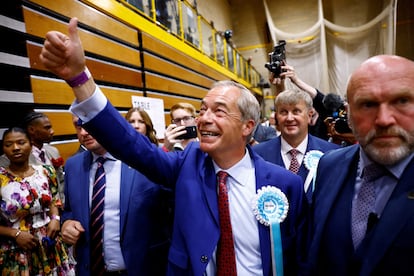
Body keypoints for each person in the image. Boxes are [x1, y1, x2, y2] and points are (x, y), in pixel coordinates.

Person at [40, 17, 308, 275]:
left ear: (248, 127)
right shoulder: (186, 164)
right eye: (202, 110)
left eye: (219, 111)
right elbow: (131, 145)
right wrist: (79, 79)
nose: (203, 118)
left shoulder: (285, 186)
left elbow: (300, 260)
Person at [305, 54, 414, 275]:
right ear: (349, 114)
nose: (384, 119)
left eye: (402, 101)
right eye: (367, 104)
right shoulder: (329, 165)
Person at [61, 116, 172, 275]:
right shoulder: (73, 165)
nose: (84, 132)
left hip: (142, 268)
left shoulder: (143, 159)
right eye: (78, 127)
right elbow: (69, 209)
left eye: (89, 125)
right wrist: (66, 223)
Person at [0, 127, 75, 275]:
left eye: (21, 142)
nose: (15, 148)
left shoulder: (46, 171)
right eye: (8, 145)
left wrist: (55, 218)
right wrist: (15, 234)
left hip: (51, 246)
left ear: (30, 144)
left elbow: (54, 200)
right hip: (17, 252)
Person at [253, 90, 339, 202]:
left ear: (309, 116)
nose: (289, 118)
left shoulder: (332, 154)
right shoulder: (257, 154)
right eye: (283, 112)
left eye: (296, 111)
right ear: (277, 117)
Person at [0, 112, 65, 206]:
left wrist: (62, 203)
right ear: (31, 130)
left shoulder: (53, 151)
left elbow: (61, 181)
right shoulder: (9, 159)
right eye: (47, 128)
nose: (52, 131)